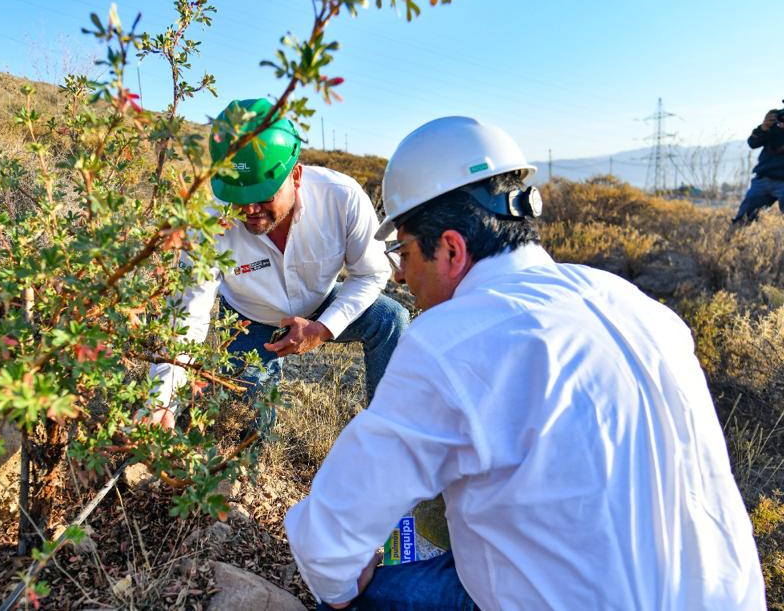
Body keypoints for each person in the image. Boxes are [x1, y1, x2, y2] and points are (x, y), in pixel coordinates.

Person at [284, 116, 766, 610]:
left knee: (352, 595)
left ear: (451, 248)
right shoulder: (638, 305)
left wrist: (340, 586)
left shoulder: (450, 338)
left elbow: (326, 545)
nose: (401, 277)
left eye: (403, 252)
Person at [147, 98, 408, 434]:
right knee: (251, 424)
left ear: (295, 176)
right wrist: (161, 400)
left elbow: (371, 273)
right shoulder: (207, 222)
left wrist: (323, 327)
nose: (249, 209)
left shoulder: (341, 197)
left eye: (263, 195)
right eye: (238, 196)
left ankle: (391, 434)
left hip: (321, 303)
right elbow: (188, 314)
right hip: (247, 318)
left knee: (391, 319)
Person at [732, 104, 784, 225]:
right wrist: (763, 127)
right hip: (764, 178)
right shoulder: (777, 118)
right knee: (743, 217)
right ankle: (731, 240)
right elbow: (753, 143)